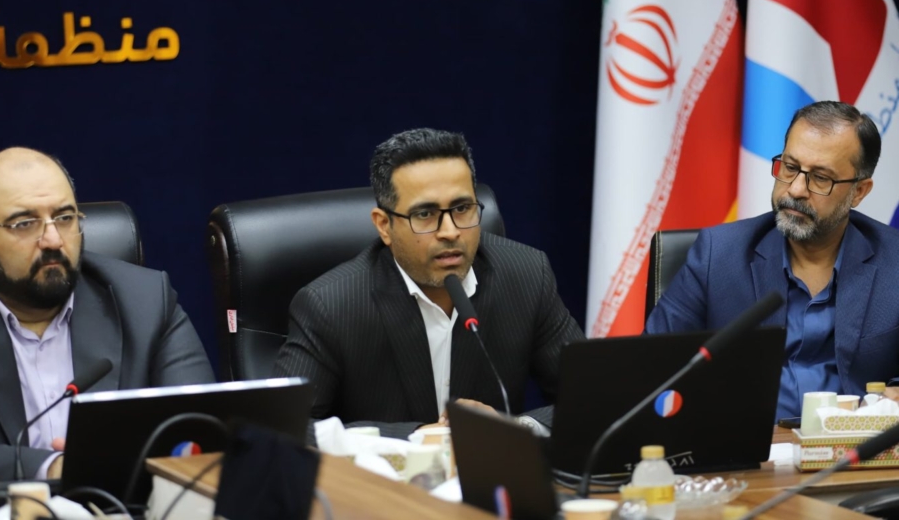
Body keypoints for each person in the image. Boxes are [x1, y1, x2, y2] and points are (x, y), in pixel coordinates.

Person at [0, 148, 214, 493]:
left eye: (65, 218)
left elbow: (202, 424)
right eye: (24, 223)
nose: (53, 240)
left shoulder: (146, 302)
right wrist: (54, 467)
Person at [272, 128, 584, 439]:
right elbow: (283, 428)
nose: (450, 232)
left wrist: (513, 428)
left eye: (462, 209)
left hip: (490, 470)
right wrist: (417, 438)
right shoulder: (331, 305)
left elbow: (591, 397)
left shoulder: (526, 276)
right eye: (425, 214)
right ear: (384, 226)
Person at [646, 101, 899, 419]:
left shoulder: (893, 261)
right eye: (790, 167)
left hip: (856, 446)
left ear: (859, 191)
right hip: (747, 444)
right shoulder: (718, 254)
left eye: (820, 178)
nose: (796, 189)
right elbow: (651, 366)